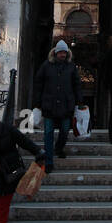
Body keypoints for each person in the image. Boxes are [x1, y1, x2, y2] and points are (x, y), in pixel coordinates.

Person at [32, 39, 83, 173]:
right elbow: (38, 84)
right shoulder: (46, 66)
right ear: (55, 52)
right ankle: (49, 161)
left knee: (65, 131)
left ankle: (59, 148)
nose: (62, 55)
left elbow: (77, 84)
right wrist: (37, 103)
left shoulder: (71, 67)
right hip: (49, 104)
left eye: (64, 53)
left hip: (66, 105)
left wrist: (79, 101)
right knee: (48, 133)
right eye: (60, 52)